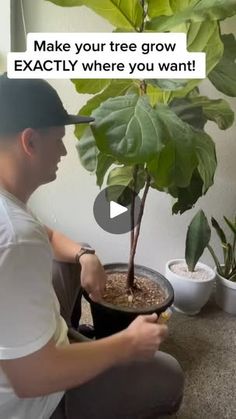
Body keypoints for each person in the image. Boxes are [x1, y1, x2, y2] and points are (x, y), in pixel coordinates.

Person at [0, 74, 184, 419]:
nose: (65, 150)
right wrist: (128, 343)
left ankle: (69, 337)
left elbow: (48, 236)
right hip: (34, 398)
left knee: (69, 256)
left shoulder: (11, 212)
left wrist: (86, 256)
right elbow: (32, 378)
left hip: (27, 348)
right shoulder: (15, 238)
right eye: (59, 139)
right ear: (30, 142)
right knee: (169, 376)